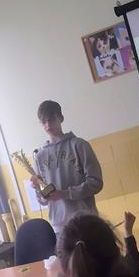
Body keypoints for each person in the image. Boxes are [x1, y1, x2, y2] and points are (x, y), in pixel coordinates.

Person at [33, 100, 103, 234]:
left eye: (51, 119)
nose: (48, 125)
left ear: (61, 118)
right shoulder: (39, 156)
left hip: (86, 221)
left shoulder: (79, 145)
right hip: (59, 227)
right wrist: (41, 192)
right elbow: (42, 199)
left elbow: (96, 183)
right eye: (43, 122)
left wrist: (63, 194)